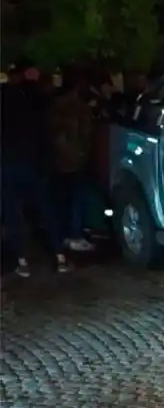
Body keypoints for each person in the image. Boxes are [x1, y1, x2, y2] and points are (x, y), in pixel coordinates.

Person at [1, 65, 70, 277]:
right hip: (31, 163)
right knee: (45, 210)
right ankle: (59, 257)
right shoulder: (32, 102)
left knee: (13, 213)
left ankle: (22, 261)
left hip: (7, 164)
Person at [48, 74, 97, 252]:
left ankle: (64, 235)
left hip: (59, 160)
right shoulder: (79, 109)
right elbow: (84, 134)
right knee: (77, 198)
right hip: (75, 158)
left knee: (62, 199)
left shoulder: (55, 106)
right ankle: (75, 234)